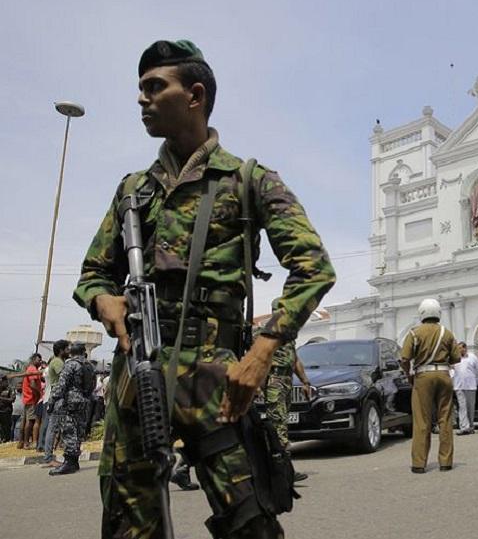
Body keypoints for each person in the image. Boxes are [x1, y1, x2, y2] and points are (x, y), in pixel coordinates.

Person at [73, 39, 335, 538]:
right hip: (139, 374)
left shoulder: (248, 180)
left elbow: (314, 267)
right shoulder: (134, 190)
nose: (142, 99)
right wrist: (102, 299)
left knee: (251, 523)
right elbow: (93, 273)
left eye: (155, 87)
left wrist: (261, 352)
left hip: (219, 379)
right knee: (130, 525)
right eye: (140, 89)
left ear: (194, 95)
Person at [400, 298, 460, 473]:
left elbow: (405, 358)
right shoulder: (447, 333)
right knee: (445, 418)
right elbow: (456, 358)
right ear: (438, 313)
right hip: (443, 374)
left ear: (421, 313)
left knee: (422, 421)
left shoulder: (414, 333)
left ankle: (419, 463)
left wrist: (408, 373)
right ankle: (446, 462)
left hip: (423, 376)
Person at [265, 340, 312, 481]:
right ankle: (283, 472)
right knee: (278, 426)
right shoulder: (267, 333)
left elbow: (295, 359)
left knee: (282, 425)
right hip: (274, 381)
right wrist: (258, 386)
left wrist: (305, 382)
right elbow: (260, 359)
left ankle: (281, 470)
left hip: (287, 380)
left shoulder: (288, 337)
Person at [47, 342, 93, 475]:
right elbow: (92, 384)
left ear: (72, 352)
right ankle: (75, 461)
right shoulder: (88, 365)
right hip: (84, 400)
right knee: (78, 431)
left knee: (68, 431)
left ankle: (69, 463)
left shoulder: (70, 364)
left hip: (71, 401)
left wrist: (52, 401)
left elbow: (61, 385)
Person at [41, 340, 70, 464]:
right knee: (52, 428)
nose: (69, 351)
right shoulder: (58, 362)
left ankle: (51, 456)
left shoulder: (58, 361)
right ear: (61, 350)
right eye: (67, 349)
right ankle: (48, 458)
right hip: (57, 397)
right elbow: (65, 378)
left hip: (56, 397)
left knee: (57, 428)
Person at [451, 342, 478, 435]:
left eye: (460, 348)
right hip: (459, 387)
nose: (459, 350)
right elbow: (450, 370)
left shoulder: (472, 357)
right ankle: (464, 427)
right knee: (462, 407)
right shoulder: (455, 359)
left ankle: (470, 426)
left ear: (465, 348)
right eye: (457, 349)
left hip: (470, 386)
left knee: (470, 408)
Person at [18, 353, 43, 449]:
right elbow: (33, 384)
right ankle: (26, 442)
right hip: (32, 398)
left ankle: (21, 442)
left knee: (24, 421)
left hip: (27, 398)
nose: (40, 361)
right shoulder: (33, 370)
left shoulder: (29, 369)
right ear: (33, 360)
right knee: (31, 421)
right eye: (38, 360)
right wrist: (39, 393)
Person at [0, 375, 15, 442]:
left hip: (6, 411)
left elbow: (12, 399)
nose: (2, 382)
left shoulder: (10, 389)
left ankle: (7, 439)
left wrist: (1, 398)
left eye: (3, 381)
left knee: (7, 427)